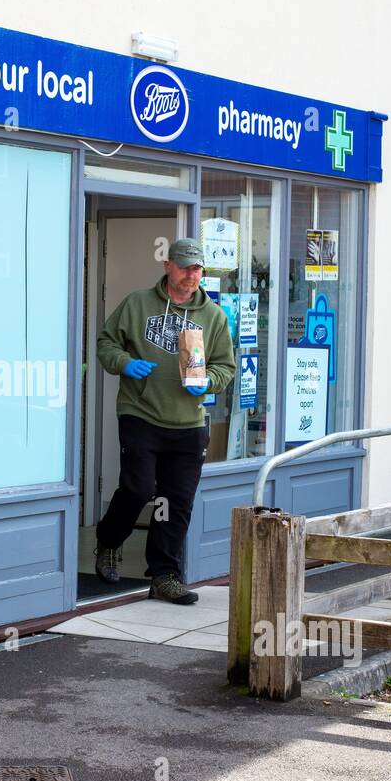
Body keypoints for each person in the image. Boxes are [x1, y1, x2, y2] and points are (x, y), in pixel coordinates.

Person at [94, 238, 234, 604]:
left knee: (176, 500)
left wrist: (209, 382)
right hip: (141, 412)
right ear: (168, 266)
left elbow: (225, 366)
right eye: (186, 267)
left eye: (198, 269)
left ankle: (164, 575)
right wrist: (125, 363)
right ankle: (108, 540)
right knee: (138, 489)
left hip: (188, 422)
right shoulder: (137, 304)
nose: (192, 275)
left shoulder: (214, 317)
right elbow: (106, 344)